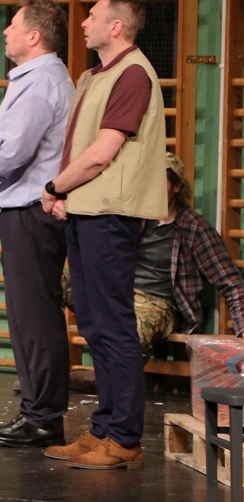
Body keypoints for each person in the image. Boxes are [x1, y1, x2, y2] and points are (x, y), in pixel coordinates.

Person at [40, 0, 166, 470]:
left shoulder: (132, 73)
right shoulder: (95, 75)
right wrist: (68, 196)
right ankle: (103, 428)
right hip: (89, 210)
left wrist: (55, 187)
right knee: (94, 324)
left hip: (111, 214)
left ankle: (124, 437)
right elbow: (80, 146)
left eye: (92, 16)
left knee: (113, 325)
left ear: (116, 26)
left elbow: (101, 152)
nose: (83, 23)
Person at [0, 0, 75, 448]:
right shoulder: (38, 77)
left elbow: (15, 149)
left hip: (32, 212)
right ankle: (37, 412)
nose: (5, 32)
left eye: (12, 25)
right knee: (28, 314)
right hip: (27, 210)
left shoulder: (41, 81)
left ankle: (44, 416)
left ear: (34, 35)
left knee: (35, 315)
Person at [62, 151, 244, 363]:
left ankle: (114, 380)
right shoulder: (133, 219)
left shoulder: (194, 228)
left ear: (176, 187)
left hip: (159, 303)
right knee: (50, 276)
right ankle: (46, 366)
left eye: (160, 181)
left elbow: (231, 283)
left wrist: (242, 329)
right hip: (121, 294)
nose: (152, 187)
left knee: (129, 331)